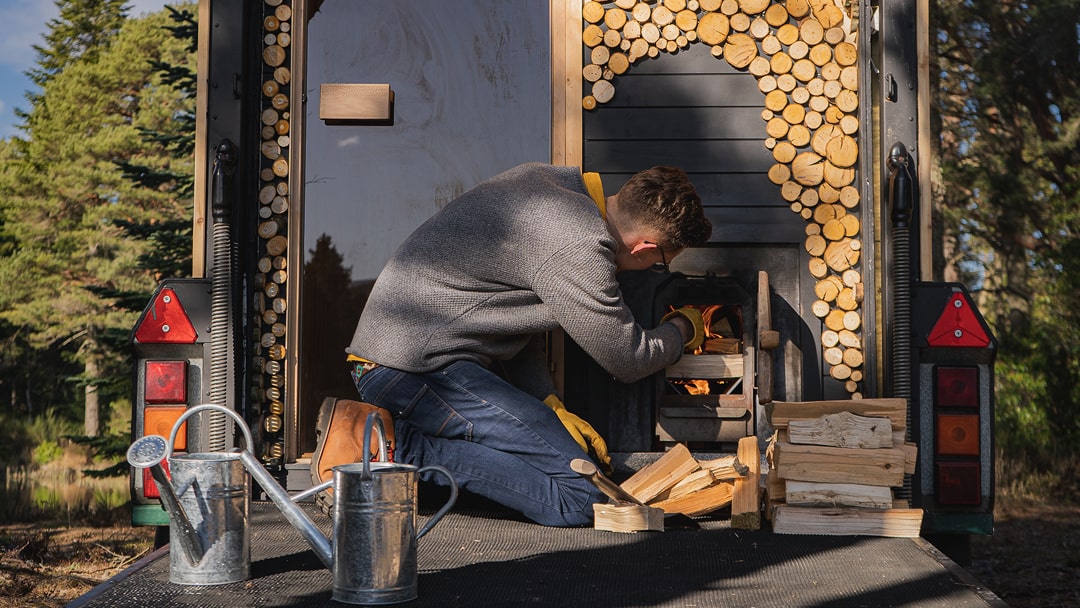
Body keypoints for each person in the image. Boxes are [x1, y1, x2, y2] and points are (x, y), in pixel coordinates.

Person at [311, 162, 712, 526]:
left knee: (563, 465)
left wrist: (547, 401)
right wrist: (682, 329)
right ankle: (391, 451)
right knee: (581, 497)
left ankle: (386, 438)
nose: (656, 269)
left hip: (408, 363)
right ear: (644, 248)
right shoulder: (579, 245)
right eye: (662, 262)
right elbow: (628, 357)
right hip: (415, 371)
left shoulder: (550, 184)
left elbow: (516, 326)